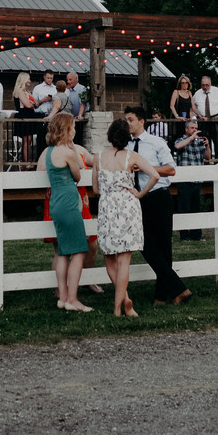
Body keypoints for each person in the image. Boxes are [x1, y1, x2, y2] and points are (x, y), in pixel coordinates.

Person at [91, 120, 160, 318]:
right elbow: (155, 175)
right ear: (127, 137)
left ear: (109, 135)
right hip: (128, 206)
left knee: (110, 259)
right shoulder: (132, 156)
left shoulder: (99, 158)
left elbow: (96, 189)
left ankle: (122, 302)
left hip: (107, 207)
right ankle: (120, 306)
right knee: (124, 260)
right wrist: (139, 193)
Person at [124, 106, 190, 306]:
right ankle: (178, 288)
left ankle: (161, 296)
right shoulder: (124, 145)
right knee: (143, 243)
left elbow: (171, 169)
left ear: (141, 121)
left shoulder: (155, 142)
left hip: (158, 197)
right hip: (136, 199)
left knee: (163, 246)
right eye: (125, 120)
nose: (127, 123)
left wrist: (145, 168)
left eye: (130, 120)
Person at [38, 112, 95, 312]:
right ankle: (72, 299)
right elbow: (78, 175)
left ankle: (62, 297)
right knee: (79, 251)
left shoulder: (50, 151)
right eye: (73, 128)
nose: (75, 131)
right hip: (70, 203)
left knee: (63, 251)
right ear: (66, 130)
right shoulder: (69, 152)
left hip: (55, 203)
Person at [170, 118, 211, 241]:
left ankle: (196, 235)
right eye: (192, 128)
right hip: (185, 180)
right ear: (186, 129)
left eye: (196, 128)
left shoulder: (199, 142)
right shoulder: (181, 139)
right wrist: (191, 138)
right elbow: (177, 147)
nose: (195, 130)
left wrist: (208, 145)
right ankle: (184, 236)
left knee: (195, 209)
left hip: (197, 180)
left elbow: (208, 157)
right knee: (184, 209)